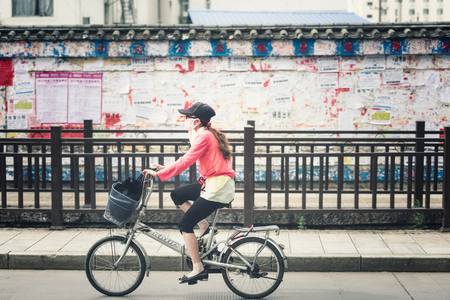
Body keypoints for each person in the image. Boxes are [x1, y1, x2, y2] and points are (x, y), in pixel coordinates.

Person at [142, 102, 235, 285]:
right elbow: (187, 157)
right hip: (213, 184)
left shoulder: (205, 137)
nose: (184, 120)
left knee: (185, 224)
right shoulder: (205, 134)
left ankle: (198, 268)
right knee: (177, 195)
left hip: (217, 188)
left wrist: (160, 174)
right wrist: (165, 168)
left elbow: (187, 161)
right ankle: (205, 228)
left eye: (187, 117)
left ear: (196, 122)